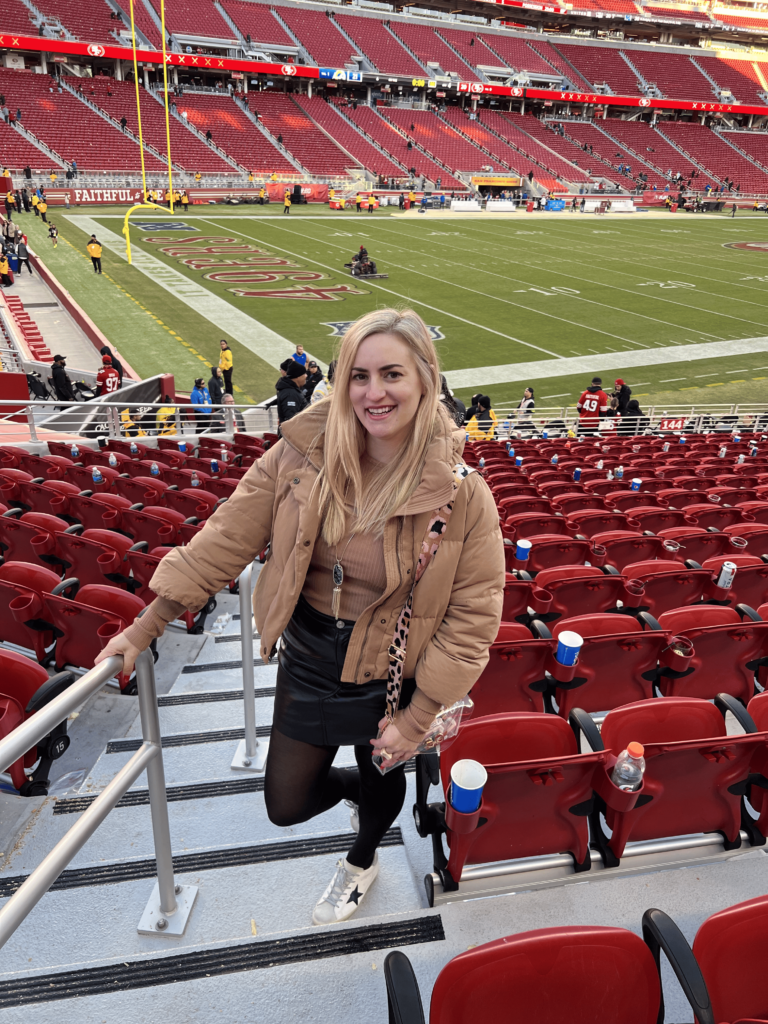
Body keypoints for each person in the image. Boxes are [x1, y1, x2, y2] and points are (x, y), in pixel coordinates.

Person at [94, 307, 503, 926]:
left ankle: (362, 860)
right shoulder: (298, 456)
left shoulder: (464, 491)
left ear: (423, 378)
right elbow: (223, 540)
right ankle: (353, 791)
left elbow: (473, 617)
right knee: (286, 803)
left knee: (383, 771)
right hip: (311, 655)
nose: (373, 392)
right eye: (357, 376)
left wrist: (418, 718)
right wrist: (145, 625)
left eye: (391, 374)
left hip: (394, 672)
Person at [275, 360, 307, 429]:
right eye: (304, 374)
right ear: (298, 377)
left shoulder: (292, 391)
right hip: (293, 438)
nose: (306, 376)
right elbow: (291, 422)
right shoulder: (290, 394)